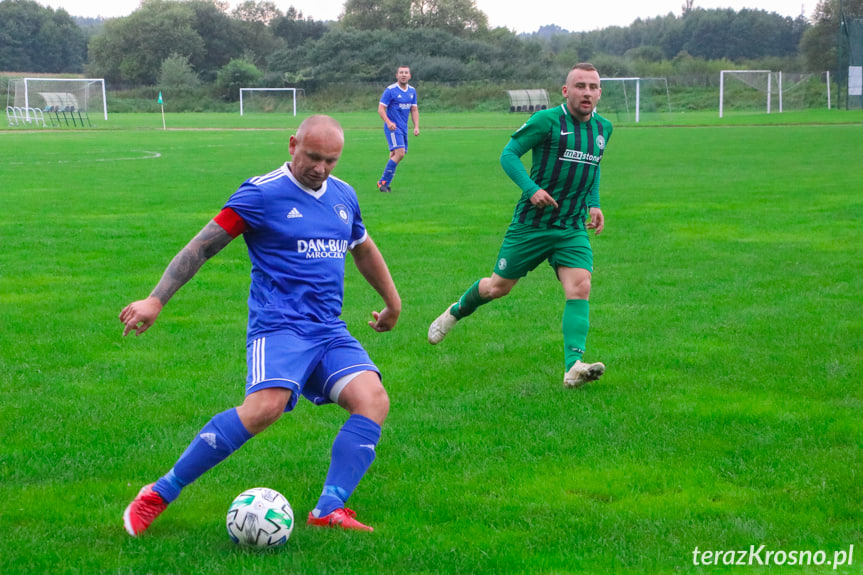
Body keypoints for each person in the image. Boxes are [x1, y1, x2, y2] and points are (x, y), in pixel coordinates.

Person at [120, 115, 401, 535]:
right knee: (264, 410)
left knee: (373, 400)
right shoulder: (261, 194)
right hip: (279, 328)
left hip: (328, 330)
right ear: (292, 145)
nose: (321, 168)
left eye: (331, 160)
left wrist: (392, 302)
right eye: (312, 157)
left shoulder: (343, 195)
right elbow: (202, 246)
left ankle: (329, 508)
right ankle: (159, 493)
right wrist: (155, 299)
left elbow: (362, 247)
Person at [427, 63, 612, 389]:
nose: (587, 92)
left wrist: (593, 203)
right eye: (580, 86)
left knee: (580, 286)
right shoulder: (547, 121)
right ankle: (456, 310)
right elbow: (509, 154)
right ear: (566, 91)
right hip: (532, 224)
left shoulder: (603, 129)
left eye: (593, 87)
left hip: (571, 226)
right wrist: (532, 189)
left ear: (599, 92)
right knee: (497, 288)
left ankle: (573, 367)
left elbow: (593, 167)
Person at [376, 65, 419, 193]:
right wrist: (388, 122)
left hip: (403, 128)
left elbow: (414, 109)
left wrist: (416, 126)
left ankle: (384, 183)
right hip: (393, 128)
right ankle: (383, 183)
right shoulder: (390, 90)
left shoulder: (412, 91)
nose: (403, 75)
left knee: (396, 154)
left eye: (406, 73)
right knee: (399, 153)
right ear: (397, 75)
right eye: (401, 73)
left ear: (410, 76)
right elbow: (381, 109)